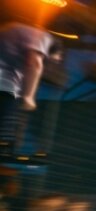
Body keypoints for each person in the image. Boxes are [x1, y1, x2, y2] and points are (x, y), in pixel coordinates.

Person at [0, 21, 61, 157]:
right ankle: (5, 144)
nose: (47, 62)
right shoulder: (44, 38)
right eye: (50, 60)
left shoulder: (17, 33)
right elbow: (35, 64)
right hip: (4, 83)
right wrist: (29, 96)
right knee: (10, 109)